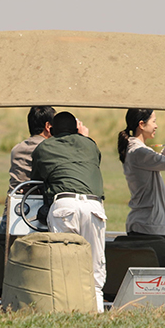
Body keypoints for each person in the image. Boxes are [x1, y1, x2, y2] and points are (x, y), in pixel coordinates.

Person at [31, 111, 107, 312]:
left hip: (63, 206)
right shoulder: (90, 145)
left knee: (64, 264)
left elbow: (37, 179)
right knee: (95, 266)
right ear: (76, 128)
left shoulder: (43, 147)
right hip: (93, 206)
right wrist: (84, 135)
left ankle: (66, 311)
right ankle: (97, 310)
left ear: (52, 129)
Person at [118, 109, 165, 238]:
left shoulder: (137, 150)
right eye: (154, 121)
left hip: (145, 225)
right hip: (148, 226)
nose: (156, 126)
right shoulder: (138, 152)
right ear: (141, 124)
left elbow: (158, 162)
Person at [0, 106, 55, 234]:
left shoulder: (17, 148)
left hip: (14, 208)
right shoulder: (50, 149)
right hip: (39, 211)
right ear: (48, 126)